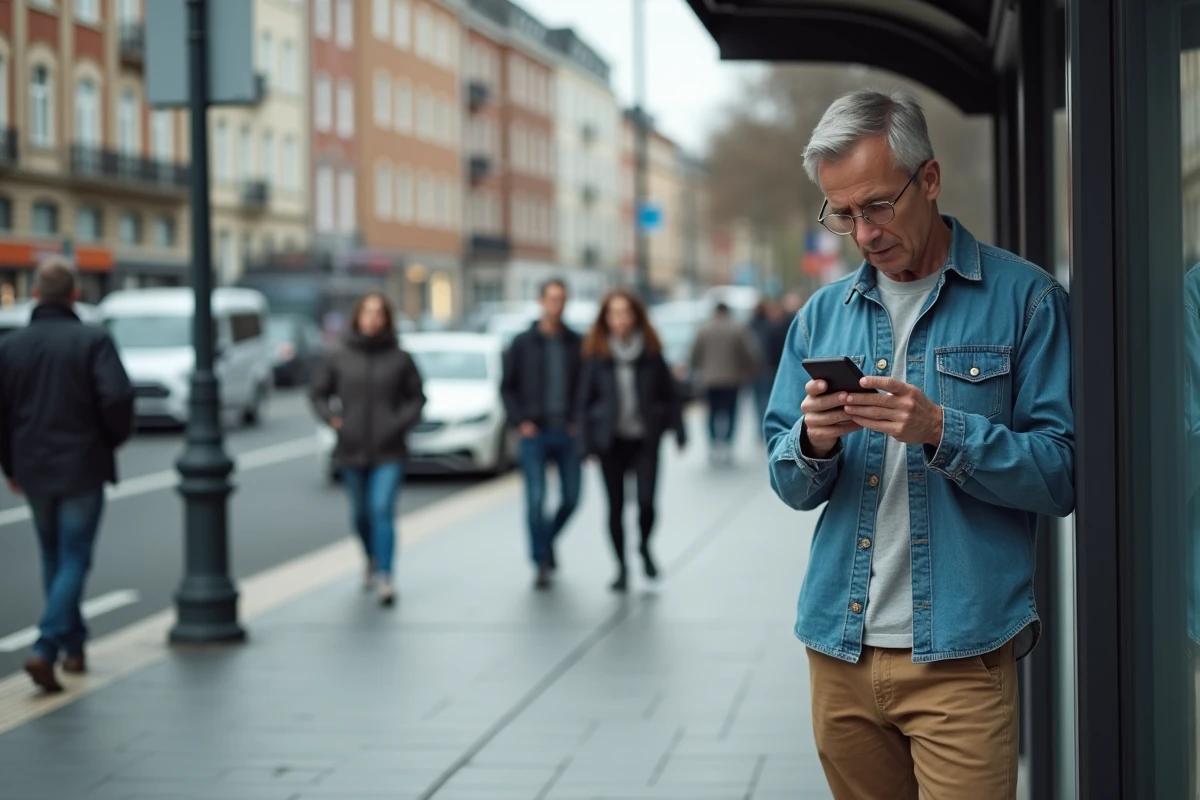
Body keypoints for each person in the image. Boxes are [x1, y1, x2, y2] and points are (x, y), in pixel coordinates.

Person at [764, 89, 1074, 800]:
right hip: (838, 650)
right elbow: (786, 480)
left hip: (962, 658)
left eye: (877, 205)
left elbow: (1061, 474)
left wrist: (943, 431)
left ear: (928, 180)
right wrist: (812, 442)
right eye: (842, 214)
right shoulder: (819, 316)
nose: (864, 232)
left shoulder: (1027, 301)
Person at [0, 258, 134, 693]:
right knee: (74, 556)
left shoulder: (12, 347)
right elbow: (116, 399)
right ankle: (48, 644)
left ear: (35, 295)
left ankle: (74, 647)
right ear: (75, 295)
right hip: (82, 464)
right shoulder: (92, 340)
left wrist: (10, 464)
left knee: (53, 556)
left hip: (33, 466)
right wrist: (109, 441)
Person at [311, 292, 425, 607]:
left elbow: (417, 398)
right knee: (360, 514)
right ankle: (371, 557)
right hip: (351, 447)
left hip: (389, 449)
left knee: (381, 509)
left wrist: (399, 423)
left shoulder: (400, 358)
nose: (373, 319)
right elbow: (318, 393)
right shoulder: (340, 356)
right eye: (367, 312)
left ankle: (385, 575)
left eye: (379, 313)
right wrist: (333, 420)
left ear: (386, 319)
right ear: (358, 317)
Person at [578, 289, 686, 592]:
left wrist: (678, 430)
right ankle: (621, 567)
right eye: (614, 314)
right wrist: (585, 444)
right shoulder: (597, 355)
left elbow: (671, 394)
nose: (620, 320)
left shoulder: (651, 354)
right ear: (606, 319)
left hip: (645, 441)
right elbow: (584, 402)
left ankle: (644, 546)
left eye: (625, 313)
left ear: (636, 316)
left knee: (647, 503)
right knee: (614, 507)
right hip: (609, 443)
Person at [500, 279, 584, 590]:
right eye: (551, 299)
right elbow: (507, 388)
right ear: (540, 301)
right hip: (534, 432)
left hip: (568, 432)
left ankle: (545, 542)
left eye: (561, 299)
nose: (556, 305)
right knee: (535, 501)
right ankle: (540, 562)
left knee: (572, 498)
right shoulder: (522, 343)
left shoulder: (577, 343)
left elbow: (587, 387)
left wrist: (579, 420)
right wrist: (520, 421)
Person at [689, 302, 758, 463]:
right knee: (731, 412)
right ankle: (727, 442)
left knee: (711, 413)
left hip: (709, 379)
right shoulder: (737, 329)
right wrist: (749, 370)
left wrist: (696, 369)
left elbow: (694, 353)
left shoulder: (704, 329)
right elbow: (748, 353)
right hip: (731, 379)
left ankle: (714, 442)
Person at [748, 300, 789, 440]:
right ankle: (767, 427)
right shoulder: (771, 326)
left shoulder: (750, 326)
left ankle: (763, 427)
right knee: (768, 400)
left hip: (757, 370)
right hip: (769, 369)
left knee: (760, 401)